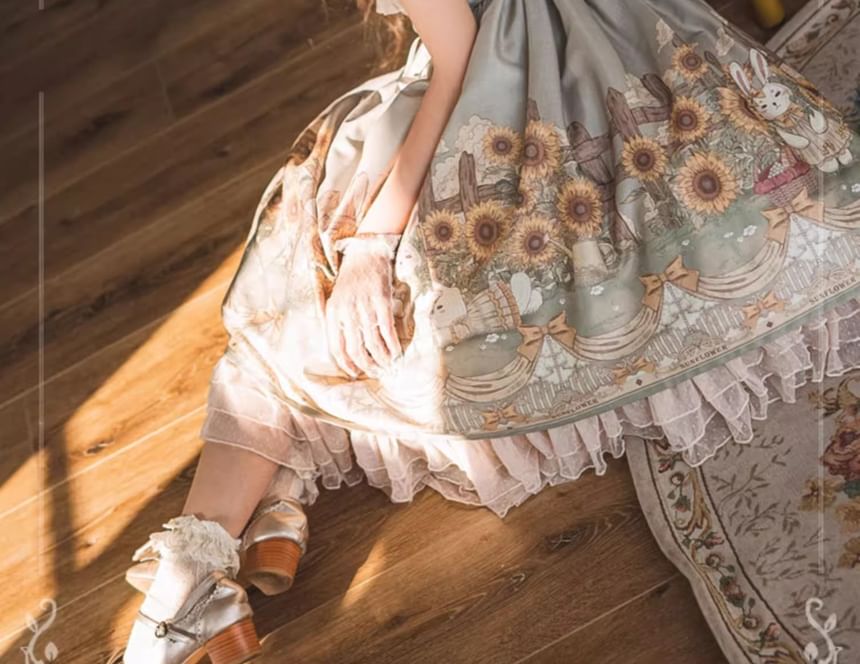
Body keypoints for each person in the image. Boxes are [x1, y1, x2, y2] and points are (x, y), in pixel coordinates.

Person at [117, 0, 860, 661]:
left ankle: (196, 577)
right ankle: (260, 514)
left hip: (518, 94)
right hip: (640, 44)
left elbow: (459, 58)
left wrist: (373, 247)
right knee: (315, 269)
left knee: (303, 296)